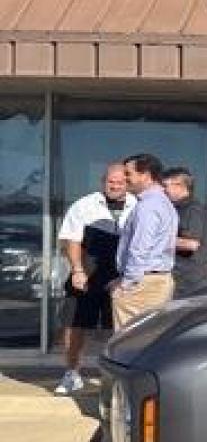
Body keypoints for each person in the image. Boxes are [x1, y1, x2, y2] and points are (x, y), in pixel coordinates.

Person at [52, 163, 135, 394]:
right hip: (86, 273)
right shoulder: (84, 205)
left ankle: (118, 378)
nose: (115, 185)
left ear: (128, 183)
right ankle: (72, 373)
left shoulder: (139, 205)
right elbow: (71, 240)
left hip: (123, 276)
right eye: (111, 181)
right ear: (103, 181)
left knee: (121, 328)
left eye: (120, 182)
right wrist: (77, 270)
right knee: (75, 324)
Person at [109, 153, 179, 328]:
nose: (125, 178)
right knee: (149, 340)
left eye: (128, 173)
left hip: (142, 285)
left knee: (130, 344)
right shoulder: (163, 203)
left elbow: (140, 248)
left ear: (145, 175)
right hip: (154, 281)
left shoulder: (148, 206)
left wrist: (126, 284)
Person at [160, 166, 207, 297]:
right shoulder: (176, 208)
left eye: (166, 186)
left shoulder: (192, 209)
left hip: (188, 283)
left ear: (180, 186)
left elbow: (191, 244)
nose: (163, 190)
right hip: (181, 279)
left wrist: (156, 239)